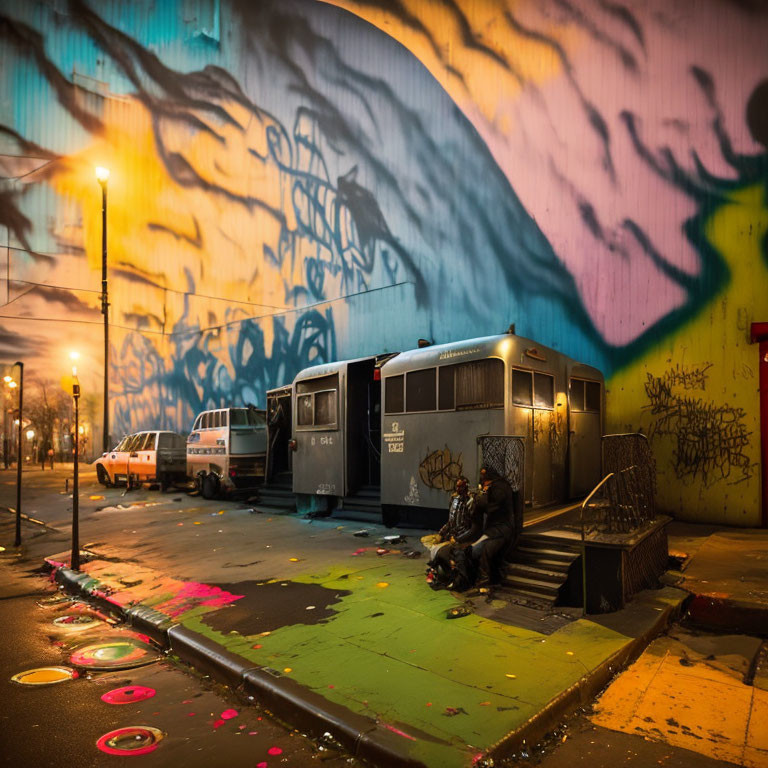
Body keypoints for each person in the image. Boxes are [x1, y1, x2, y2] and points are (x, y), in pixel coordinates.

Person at [465, 465, 520, 592]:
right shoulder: (498, 486)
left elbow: (490, 507)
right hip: (496, 530)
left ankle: (485, 580)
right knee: (483, 551)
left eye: (484, 475)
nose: (482, 479)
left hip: (501, 530)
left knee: (486, 551)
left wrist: (482, 495)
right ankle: (491, 580)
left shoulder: (499, 488)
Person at [423, 476, 478, 590]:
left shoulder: (470, 502)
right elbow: (451, 521)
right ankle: (442, 574)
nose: (458, 489)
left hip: (463, 537)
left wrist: (459, 539)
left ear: (466, 487)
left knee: (457, 555)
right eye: (457, 486)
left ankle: (460, 581)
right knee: (437, 550)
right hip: (453, 535)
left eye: (461, 487)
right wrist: (441, 534)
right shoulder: (454, 499)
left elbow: (470, 526)